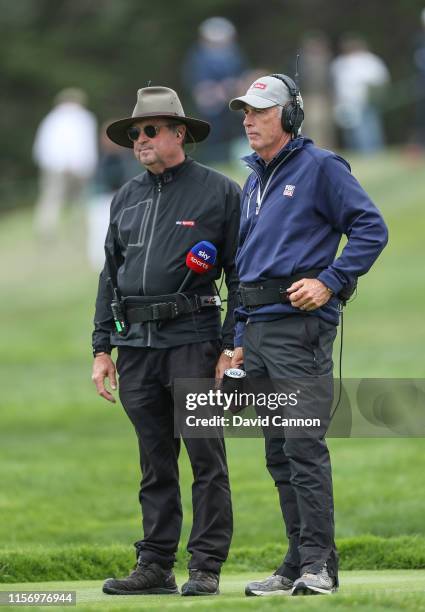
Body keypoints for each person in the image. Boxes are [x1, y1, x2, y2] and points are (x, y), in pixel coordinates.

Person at [228, 74, 388, 596]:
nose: (249, 119)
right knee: (278, 452)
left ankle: (321, 563)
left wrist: (331, 281)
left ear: (290, 116)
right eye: (245, 111)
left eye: (261, 110)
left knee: (302, 446)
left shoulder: (321, 167)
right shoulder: (254, 179)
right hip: (259, 332)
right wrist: (237, 337)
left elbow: (371, 227)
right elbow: (245, 267)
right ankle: (297, 562)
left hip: (299, 331)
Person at [91, 86, 240, 596]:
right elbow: (110, 277)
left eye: (151, 130)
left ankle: (206, 566)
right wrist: (100, 350)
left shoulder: (219, 192)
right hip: (135, 348)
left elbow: (239, 278)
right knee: (154, 462)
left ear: (180, 133)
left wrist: (229, 345)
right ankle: (154, 565)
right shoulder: (125, 196)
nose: (141, 140)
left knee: (205, 458)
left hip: (193, 342)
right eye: (135, 133)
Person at [33, 88, 98, 239]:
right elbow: (83, 143)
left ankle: (47, 230)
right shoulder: (84, 118)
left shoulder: (51, 118)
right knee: (79, 200)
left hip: (54, 165)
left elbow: (42, 145)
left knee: (52, 198)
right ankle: (79, 231)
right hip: (78, 166)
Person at [182, 16, 246, 163]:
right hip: (211, 107)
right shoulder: (198, 57)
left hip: (233, 101)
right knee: (214, 134)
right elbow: (199, 87)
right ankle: (215, 161)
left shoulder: (234, 54)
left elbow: (241, 76)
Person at [330, 36, 390, 153]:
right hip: (346, 101)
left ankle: (371, 151)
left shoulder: (369, 60)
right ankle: (357, 150)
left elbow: (380, 79)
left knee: (369, 126)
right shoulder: (340, 63)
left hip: (366, 100)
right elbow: (337, 84)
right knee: (351, 129)